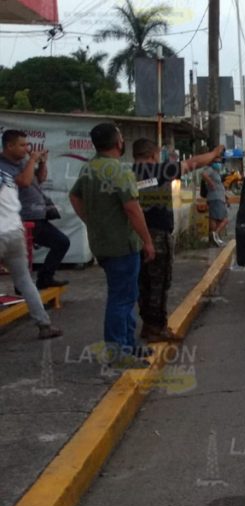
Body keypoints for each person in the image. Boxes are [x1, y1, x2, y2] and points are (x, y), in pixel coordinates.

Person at [70, 123, 155, 359]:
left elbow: (74, 196)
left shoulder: (89, 169)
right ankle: (118, 353)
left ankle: (129, 344)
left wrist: (90, 221)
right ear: (118, 142)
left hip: (102, 243)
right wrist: (147, 241)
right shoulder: (120, 171)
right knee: (121, 299)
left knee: (126, 296)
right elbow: (132, 209)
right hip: (122, 245)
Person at [132, 138, 224, 341]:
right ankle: (157, 328)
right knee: (160, 282)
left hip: (136, 234)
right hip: (157, 235)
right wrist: (214, 152)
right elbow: (193, 163)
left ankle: (148, 325)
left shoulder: (129, 173)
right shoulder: (158, 170)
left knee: (144, 283)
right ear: (153, 155)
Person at [0, 145, 62, 339]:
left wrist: (36, 161)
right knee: (24, 279)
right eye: (22, 145)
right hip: (14, 230)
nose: (26, 148)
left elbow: (31, 180)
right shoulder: (7, 174)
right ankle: (44, 324)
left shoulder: (13, 171)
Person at [1, 130, 70, 289]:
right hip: (21, 219)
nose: (26, 148)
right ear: (9, 146)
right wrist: (32, 159)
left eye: (27, 145)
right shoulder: (3, 165)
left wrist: (42, 163)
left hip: (37, 216)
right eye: (22, 145)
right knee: (22, 259)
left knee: (61, 243)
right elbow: (24, 182)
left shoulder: (23, 162)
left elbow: (40, 179)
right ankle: (26, 294)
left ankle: (44, 279)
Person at [203, 162, 228, 246]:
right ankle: (215, 234)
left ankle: (215, 238)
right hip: (216, 197)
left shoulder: (216, 172)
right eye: (217, 162)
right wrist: (211, 183)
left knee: (216, 219)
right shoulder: (211, 170)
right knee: (223, 219)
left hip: (218, 198)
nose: (219, 163)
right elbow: (204, 174)